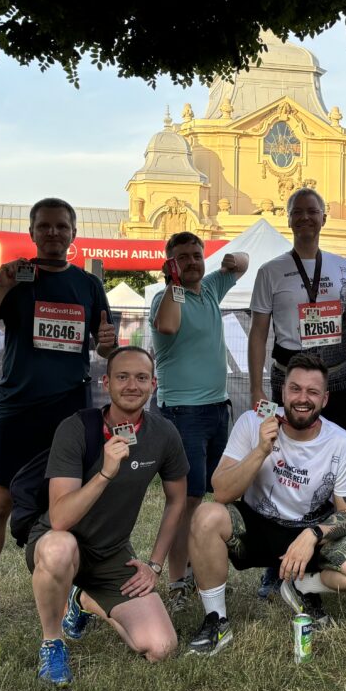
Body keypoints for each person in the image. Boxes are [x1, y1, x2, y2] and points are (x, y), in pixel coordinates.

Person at [0, 198, 116, 623]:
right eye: (44, 227)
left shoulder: (87, 284)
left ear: (73, 234)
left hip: (69, 411)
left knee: (70, 503)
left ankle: (72, 595)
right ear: (31, 233)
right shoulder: (13, 277)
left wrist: (106, 342)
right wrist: (4, 286)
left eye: (61, 227)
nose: (53, 234)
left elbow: (104, 347)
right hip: (17, 408)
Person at [185, 354, 346, 655]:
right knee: (205, 516)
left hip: (311, 533)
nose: (302, 399)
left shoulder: (341, 442)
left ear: (325, 398)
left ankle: (301, 586)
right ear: (282, 392)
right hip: (258, 525)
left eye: (312, 392)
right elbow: (222, 491)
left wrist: (313, 534)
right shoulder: (253, 422)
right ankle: (217, 620)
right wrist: (261, 450)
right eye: (295, 389)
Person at [26, 346, 189, 687]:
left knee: (161, 647)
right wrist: (104, 473)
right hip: (58, 543)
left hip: (111, 554)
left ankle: (84, 599)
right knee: (59, 548)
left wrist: (155, 565)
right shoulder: (76, 429)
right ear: (106, 382)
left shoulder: (164, 434)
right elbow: (59, 519)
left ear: (154, 384)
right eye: (123, 377)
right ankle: (53, 642)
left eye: (142, 378)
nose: (132, 385)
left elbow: (177, 501)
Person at [248, 187, 346, 597]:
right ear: (289, 218)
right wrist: (255, 385)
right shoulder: (270, 270)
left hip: (333, 377)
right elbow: (259, 332)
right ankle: (273, 561)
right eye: (297, 212)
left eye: (312, 212)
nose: (305, 218)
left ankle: (333, 546)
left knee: (337, 462)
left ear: (324, 216)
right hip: (289, 379)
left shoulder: (342, 266)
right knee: (282, 465)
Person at [149, 231, 249, 611]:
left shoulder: (210, 288)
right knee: (184, 501)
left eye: (196, 255)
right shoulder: (166, 297)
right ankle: (177, 582)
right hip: (182, 413)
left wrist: (229, 261)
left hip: (216, 410)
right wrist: (174, 283)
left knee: (215, 494)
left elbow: (243, 261)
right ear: (170, 262)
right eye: (183, 257)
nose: (192, 261)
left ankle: (199, 570)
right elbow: (169, 326)